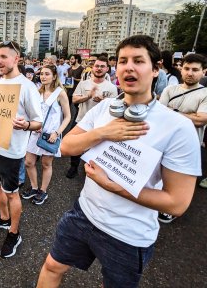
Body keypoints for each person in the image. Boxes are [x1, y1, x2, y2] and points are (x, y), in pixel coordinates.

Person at [36, 35, 201, 288]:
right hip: (84, 213)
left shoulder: (178, 127)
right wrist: (103, 132)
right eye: (123, 61)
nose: (129, 67)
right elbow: (67, 146)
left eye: (138, 60)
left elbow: (176, 203)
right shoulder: (105, 110)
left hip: (129, 234)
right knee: (51, 267)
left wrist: (116, 187)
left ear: (156, 69)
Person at [0, 40, 42, 258]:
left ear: (16, 59)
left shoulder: (27, 87)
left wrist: (25, 125)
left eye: (4, 57)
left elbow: (38, 122)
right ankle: (3, 218)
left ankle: (14, 232)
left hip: (11, 152)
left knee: (12, 193)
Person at [21, 65, 71, 205]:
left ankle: (43, 191)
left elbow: (68, 117)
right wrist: (33, 123)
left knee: (46, 164)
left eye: (47, 74)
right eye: (42, 73)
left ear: (54, 76)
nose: (43, 76)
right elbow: (33, 112)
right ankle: (34, 187)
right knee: (29, 162)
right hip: (36, 132)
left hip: (51, 135)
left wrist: (57, 133)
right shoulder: (38, 92)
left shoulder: (60, 93)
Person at [159, 53, 207, 195]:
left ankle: (169, 210)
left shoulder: (205, 94)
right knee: (159, 177)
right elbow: (160, 115)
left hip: (189, 146)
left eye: (195, 70)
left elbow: (200, 120)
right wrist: (190, 115)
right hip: (165, 141)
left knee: (179, 183)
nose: (189, 73)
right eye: (186, 68)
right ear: (181, 69)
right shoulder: (170, 89)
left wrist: (172, 110)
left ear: (204, 71)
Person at [66, 56, 117, 179]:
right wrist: (88, 96)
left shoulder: (111, 87)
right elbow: (74, 99)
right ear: (92, 68)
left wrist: (102, 100)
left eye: (102, 66)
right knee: (75, 145)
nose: (99, 69)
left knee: (96, 147)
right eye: (97, 66)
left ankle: (91, 168)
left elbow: (114, 107)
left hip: (100, 124)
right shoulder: (84, 84)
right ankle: (74, 166)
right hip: (81, 119)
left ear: (107, 69)